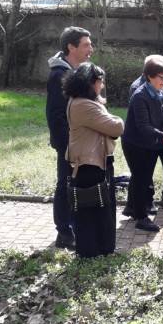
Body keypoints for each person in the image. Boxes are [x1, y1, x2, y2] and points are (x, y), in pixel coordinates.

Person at [63, 63, 124, 258]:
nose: (103, 85)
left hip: (93, 161)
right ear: (90, 82)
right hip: (88, 164)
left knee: (99, 208)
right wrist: (116, 119)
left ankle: (102, 250)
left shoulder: (82, 102)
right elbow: (116, 127)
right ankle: (91, 253)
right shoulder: (83, 105)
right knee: (90, 210)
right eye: (100, 81)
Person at [122, 56, 163, 232]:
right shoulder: (139, 96)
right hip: (135, 143)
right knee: (141, 178)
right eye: (161, 78)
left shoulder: (162, 93)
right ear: (149, 77)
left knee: (141, 178)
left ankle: (135, 210)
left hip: (151, 141)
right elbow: (143, 126)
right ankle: (141, 218)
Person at [45, 26, 93, 250]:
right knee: (64, 185)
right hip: (68, 144)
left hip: (81, 142)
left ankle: (73, 226)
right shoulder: (59, 75)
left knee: (74, 184)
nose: (90, 49)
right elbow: (56, 115)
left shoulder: (80, 70)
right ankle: (64, 232)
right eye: (85, 44)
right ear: (70, 47)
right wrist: (68, 146)